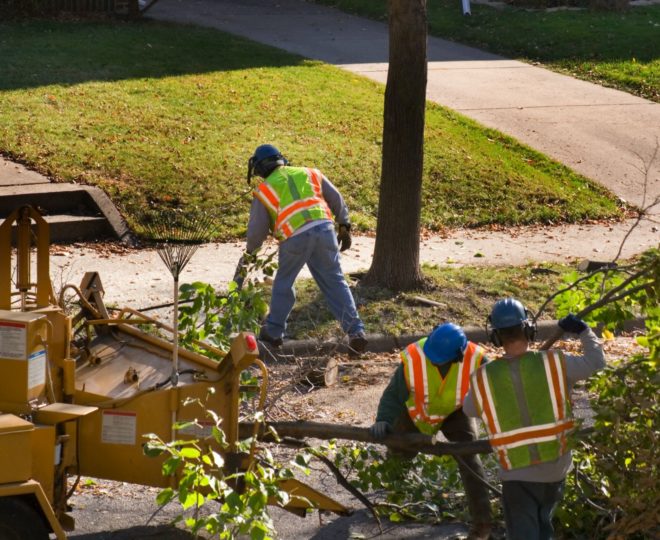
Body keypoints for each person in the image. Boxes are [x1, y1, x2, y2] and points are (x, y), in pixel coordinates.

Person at [463, 298, 606, 540]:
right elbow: (596, 362)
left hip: (516, 473)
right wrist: (584, 331)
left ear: (496, 337)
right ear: (529, 330)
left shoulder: (483, 378)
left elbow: (469, 410)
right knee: (544, 530)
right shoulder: (555, 363)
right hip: (556, 467)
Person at [370, 323, 493, 540]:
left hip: (456, 411)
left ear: (458, 355)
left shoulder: (477, 359)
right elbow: (393, 394)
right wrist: (382, 420)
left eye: (439, 359)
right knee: (399, 454)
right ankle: (393, 497)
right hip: (417, 411)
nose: (433, 361)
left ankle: (482, 523)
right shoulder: (416, 355)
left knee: (469, 458)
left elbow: (496, 393)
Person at [240, 144, 367, 354]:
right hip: (325, 230)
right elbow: (336, 197)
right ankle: (356, 332)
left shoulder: (264, 190)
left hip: (295, 237)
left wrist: (251, 251)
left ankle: (273, 332)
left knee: (284, 282)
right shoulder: (309, 172)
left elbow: (256, 231)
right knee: (336, 281)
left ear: (260, 168)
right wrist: (344, 224)